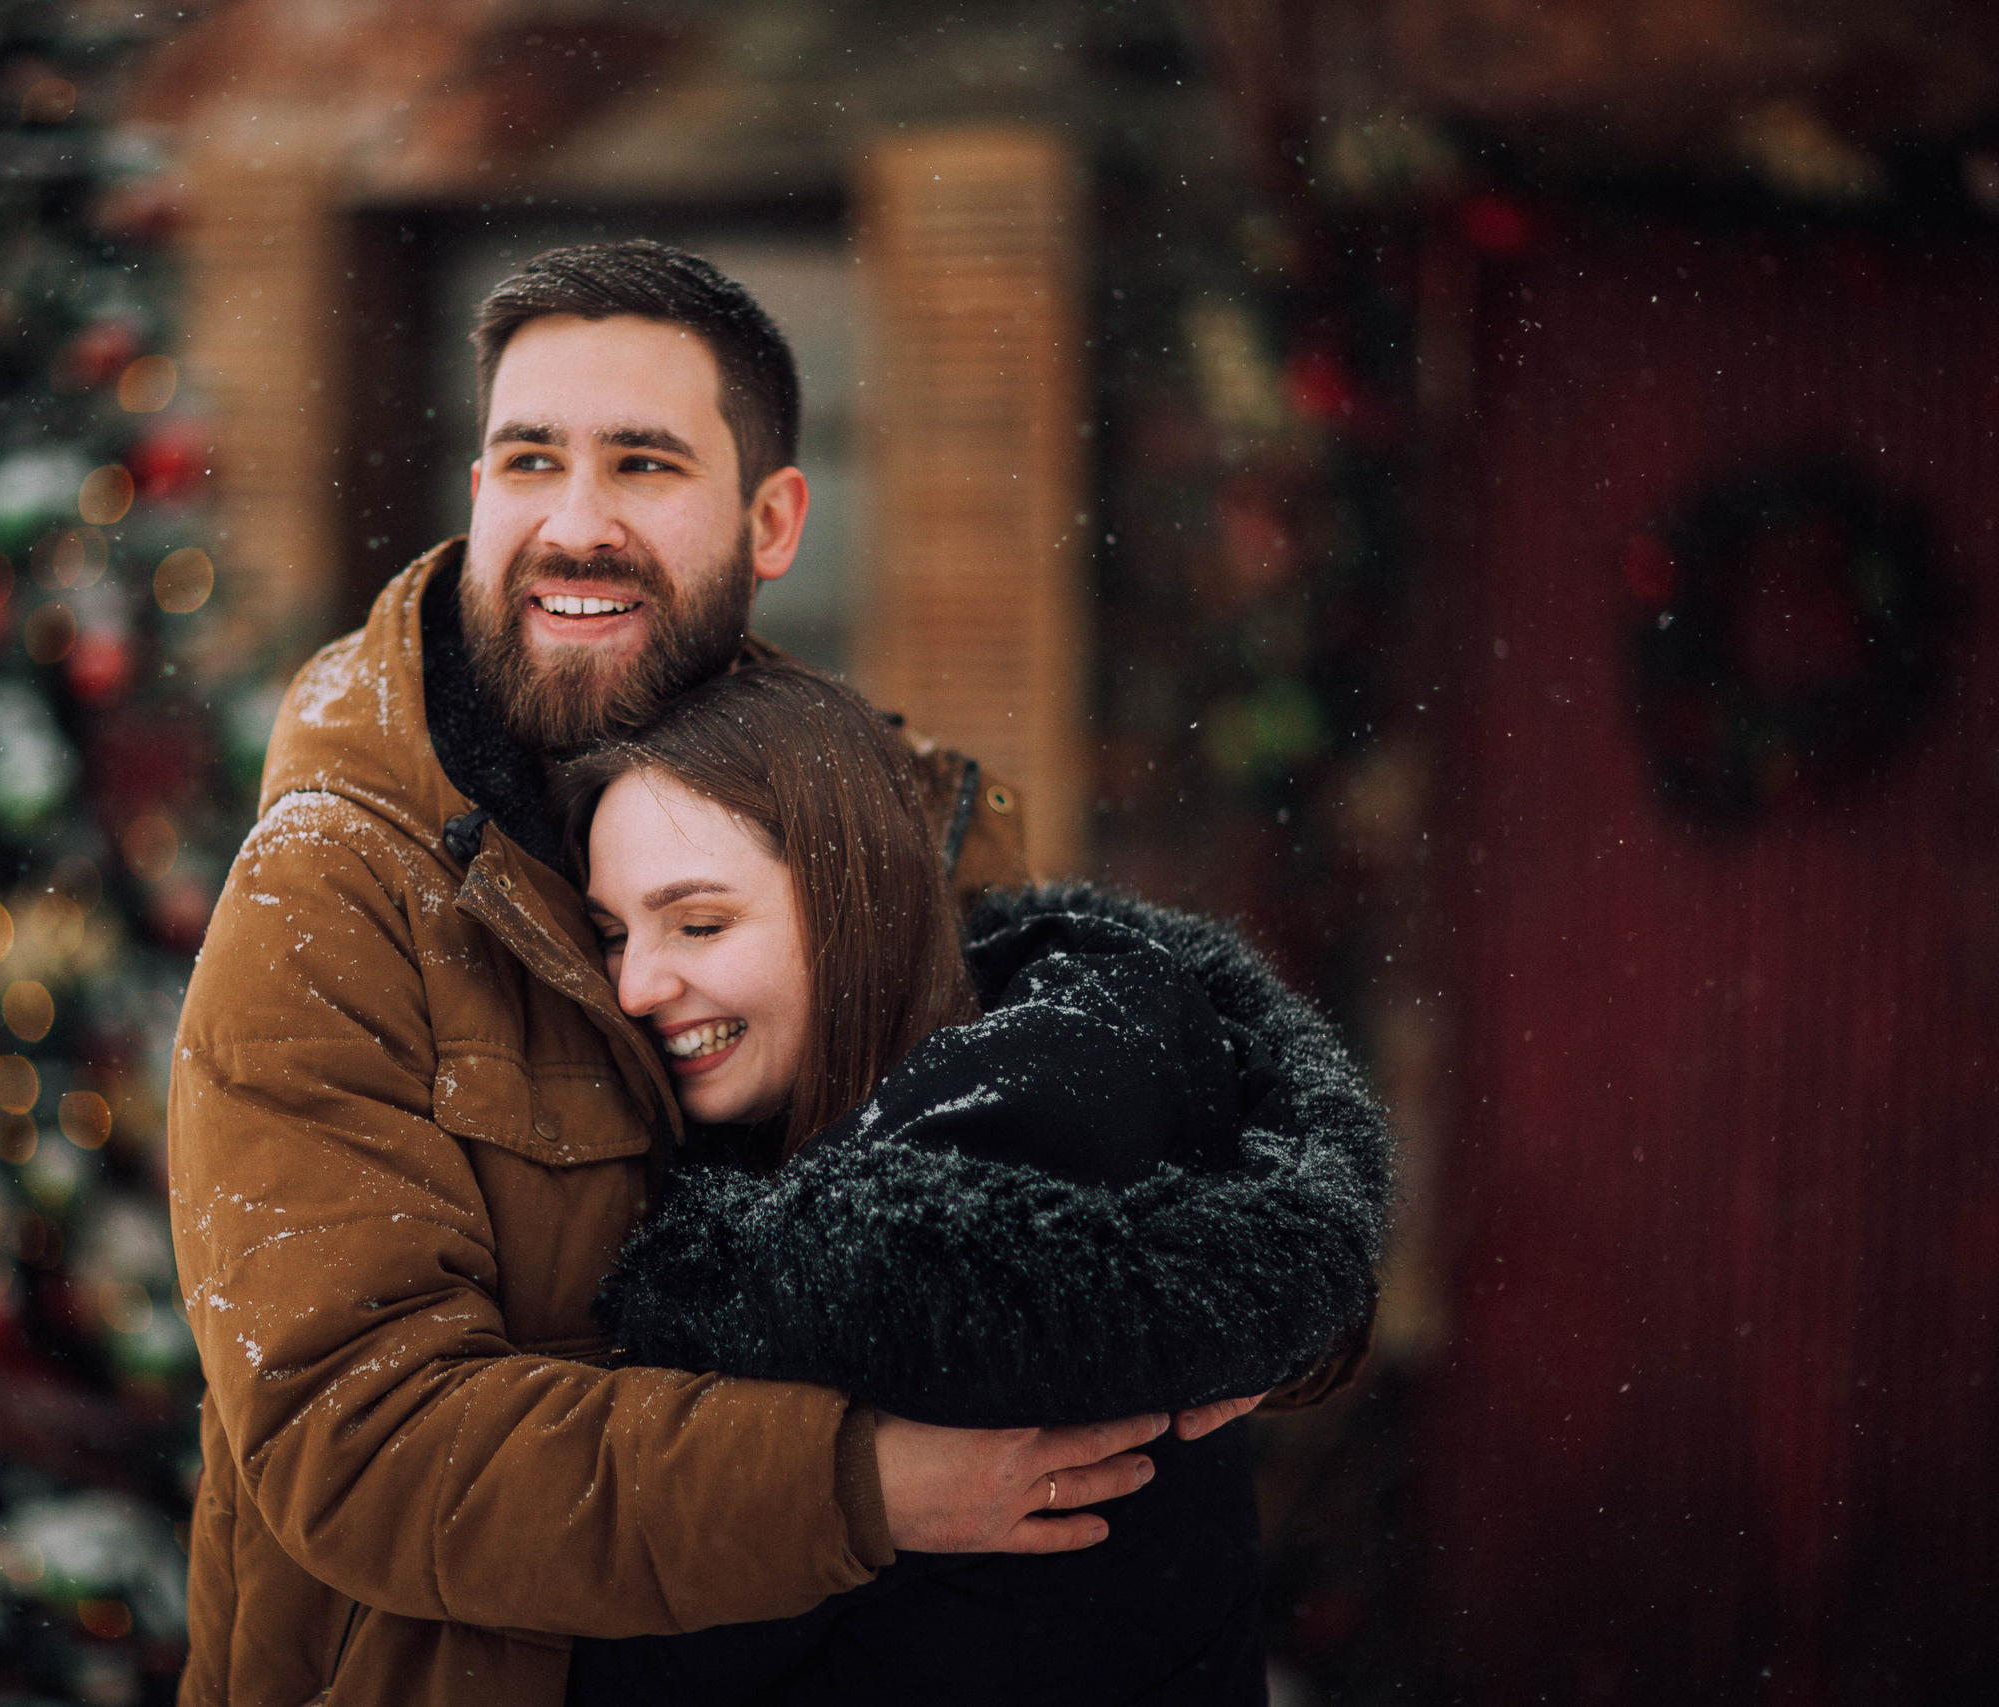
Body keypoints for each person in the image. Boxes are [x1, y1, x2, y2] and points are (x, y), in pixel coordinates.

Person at [167, 242, 1273, 1707]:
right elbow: (357, 1439)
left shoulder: (904, 830)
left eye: (643, 463)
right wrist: (858, 1482)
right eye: (529, 460)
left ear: (772, 520)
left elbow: (1122, 1146)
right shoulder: (334, 890)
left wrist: (1249, 1310)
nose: (575, 524)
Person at [556, 662, 1389, 1705]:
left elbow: (630, 1670)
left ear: (855, 910)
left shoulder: (914, 1268)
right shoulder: (1089, 1130)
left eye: (700, 924)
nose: (636, 986)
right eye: (613, 935)